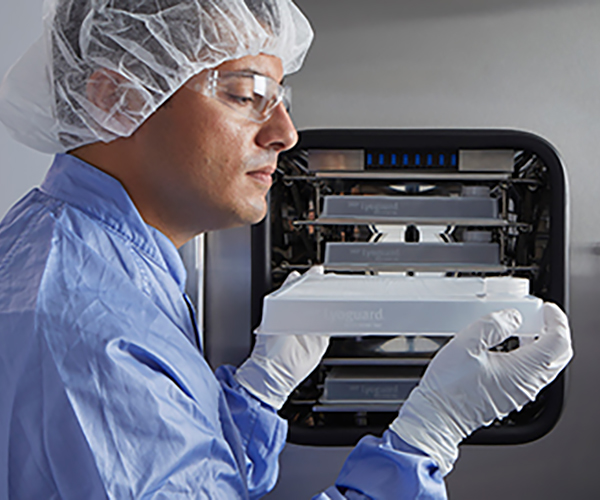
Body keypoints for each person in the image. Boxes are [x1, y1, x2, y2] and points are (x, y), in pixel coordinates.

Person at [0, 0, 572, 499]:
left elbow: (189, 475)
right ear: (116, 97)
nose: (285, 133)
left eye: (281, 98)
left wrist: (257, 391)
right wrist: (428, 434)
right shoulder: (93, 336)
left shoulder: (97, 259)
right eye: (246, 94)